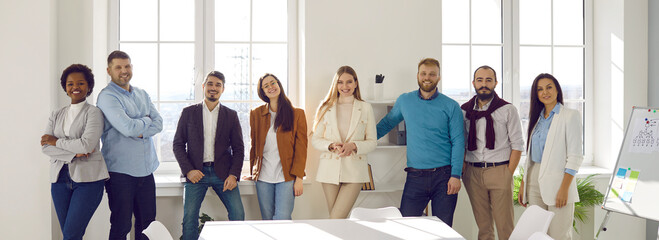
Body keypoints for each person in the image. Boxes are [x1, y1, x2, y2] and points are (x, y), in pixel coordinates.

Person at [376, 58, 465, 226]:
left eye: (432, 74)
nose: (427, 77)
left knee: (443, 229)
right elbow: (387, 123)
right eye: (423, 73)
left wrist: (455, 175)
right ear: (418, 75)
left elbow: (458, 142)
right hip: (415, 176)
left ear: (438, 77)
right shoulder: (405, 101)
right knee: (407, 227)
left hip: (444, 177)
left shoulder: (451, 106)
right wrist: (363, 140)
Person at [97, 50, 163, 240]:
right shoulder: (107, 97)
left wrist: (139, 125)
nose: (123, 70)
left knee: (148, 226)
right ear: (109, 70)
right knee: (121, 225)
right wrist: (145, 121)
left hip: (146, 170)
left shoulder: (142, 94)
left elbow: (159, 123)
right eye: (118, 67)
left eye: (127, 66)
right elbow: (128, 128)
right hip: (120, 174)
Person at [173, 71, 245, 240]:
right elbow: (177, 144)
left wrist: (234, 175)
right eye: (210, 84)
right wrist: (189, 170)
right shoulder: (188, 112)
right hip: (196, 173)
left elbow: (239, 148)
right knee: (189, 219)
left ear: (223, 89)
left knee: (238, 214)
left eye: (218, 85)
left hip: (224, 175)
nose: (214, 88)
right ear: (204, 87)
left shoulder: (231, 115)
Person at [41, 64, 109, 240]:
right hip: (59, 180)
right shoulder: (56, 114)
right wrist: (72, 153)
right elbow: (45, 147)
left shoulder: (94, 113)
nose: (75, 87)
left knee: (71, 235)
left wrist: (56, 141)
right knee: (70, 235)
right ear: (65, 87)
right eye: (70, 84)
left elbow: (86, 145)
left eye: (80, 83)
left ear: (88, 86)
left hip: (88, 181)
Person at [461, 66, 524, 240]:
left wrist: (508, 173)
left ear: (496, 83)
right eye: (480, 80)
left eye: (489, 80)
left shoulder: (507, 110)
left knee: (505, 227)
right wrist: (464, 168)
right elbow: (461, 143)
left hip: (500, 170)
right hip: (472, 173)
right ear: (473, 83)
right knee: (484, 227)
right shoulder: (464, 111)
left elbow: (517, 145)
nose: (484, 84)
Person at [518, 73, 583, 240]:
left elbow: (575, 156)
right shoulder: (536, 119)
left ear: (557, 90)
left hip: (559, 182)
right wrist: (523, 184)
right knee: (537, 233)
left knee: (559, 234)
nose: (545, 92)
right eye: (540, 89)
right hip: (533, 180)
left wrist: (564, 189)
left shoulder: (570, 115)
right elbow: (530, 155)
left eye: (549, 87)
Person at [311, 66, 377, 219]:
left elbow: (372, 142)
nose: (344, 86)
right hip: (329, 170)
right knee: (337, 220)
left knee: (336, 218)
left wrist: (354, 146)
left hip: (354, 171)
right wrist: (331, 145)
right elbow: (316, 139)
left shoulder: (365, 108)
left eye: (349, 82)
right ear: (335, 84)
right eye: (340, 82)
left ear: (355, 83)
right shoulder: (325, 107)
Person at [248, 73, 307, 220]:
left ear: (279, 84)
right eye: (266, 86)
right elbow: (254, 147)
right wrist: (253, 171)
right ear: (262, 92)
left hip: (286, 177)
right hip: (263, 178)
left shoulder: (297, 114)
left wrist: (299, 178)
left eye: (273, 83)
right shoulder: (256, 114)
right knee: (267, 220)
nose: (270, 87)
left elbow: (301, 148)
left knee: (282, 218)